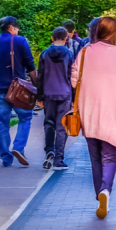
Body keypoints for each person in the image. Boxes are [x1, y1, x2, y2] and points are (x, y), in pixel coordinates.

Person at [71, 16, 116, 220]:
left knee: (95, 158)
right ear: (115, 32)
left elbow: (73, 80)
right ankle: (106, 191)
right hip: (110, 113)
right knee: (109, 157)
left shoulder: (85, 51)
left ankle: (99, 197)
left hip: (88, 112)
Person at [0, 16, 37, 168]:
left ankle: (6, 157)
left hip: (0, 91)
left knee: (2, 123)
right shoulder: (20, 41)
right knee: (25, 117)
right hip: (17, 91)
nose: (18, 30)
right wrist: (37, 88)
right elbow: (30, 65)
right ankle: (18, 147)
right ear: (11, 27)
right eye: (17, 28)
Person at [37, 26, 75, 171]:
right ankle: (59, 160)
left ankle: (49, 151)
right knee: (62, 127)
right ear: (66, 39)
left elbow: (40, 77)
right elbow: (72, 77)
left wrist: (39, 96)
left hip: (48, 93)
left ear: (52, 38)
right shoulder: (69, 54)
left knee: (49, 124)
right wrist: (74, 97)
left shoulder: (45, 54)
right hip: (65, 94)